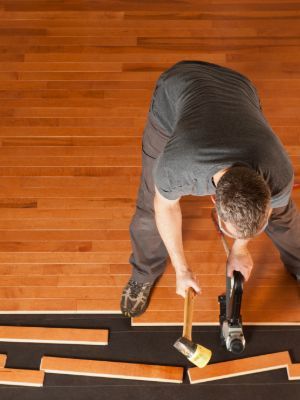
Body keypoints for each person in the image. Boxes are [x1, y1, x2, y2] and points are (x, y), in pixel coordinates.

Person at [120, 60, 299, 318]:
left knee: (285, 214)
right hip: (177, 87)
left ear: (265, 190)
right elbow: (165, 207)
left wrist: (240, 249)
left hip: (236, 86)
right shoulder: (177, 167)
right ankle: (143, 273)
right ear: (214, 201)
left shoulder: (278, 171)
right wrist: (181, 271)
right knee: (151, 205)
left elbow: (266, 213)